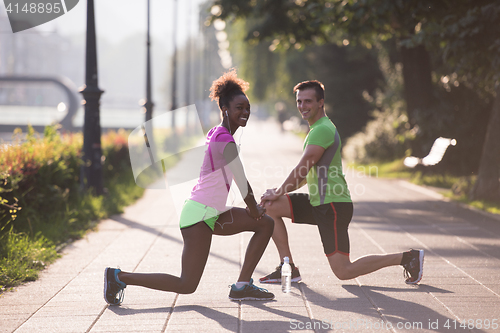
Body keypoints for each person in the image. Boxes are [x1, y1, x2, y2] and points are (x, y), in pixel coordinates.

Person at [104, 69, 275, 305]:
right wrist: (253, 207)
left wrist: (255, 209)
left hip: (213, 212)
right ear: (225, 109)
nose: (245, 112)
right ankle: (118, 276)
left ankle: (242, 286)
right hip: (200, 215)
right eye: (239, 107)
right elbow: (241, 179)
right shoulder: (224, 138)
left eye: (247, 107)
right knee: (187, 285)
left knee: (266, 224)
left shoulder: (220, 133)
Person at [259, 80, 424, 285]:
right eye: (299, 101)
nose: (302, 106)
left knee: (344, 271)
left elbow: (304, 165)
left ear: (321, 102)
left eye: (308, 101)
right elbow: (307, 173)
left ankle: (407, 258)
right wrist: (278, 192)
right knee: (270, 207)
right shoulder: (317, 129)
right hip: (319, 202)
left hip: (333, 206)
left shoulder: (322, 130)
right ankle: (288, 268)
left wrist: (279, 190)